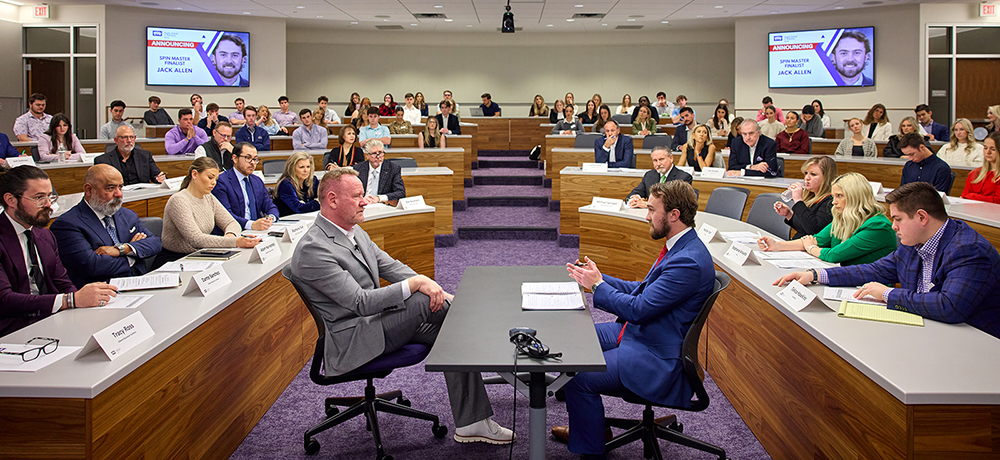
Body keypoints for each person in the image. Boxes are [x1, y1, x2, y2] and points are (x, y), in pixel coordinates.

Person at [289, 166, 515, 444]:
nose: (365, 201)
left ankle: (473, 422)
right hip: (354, 339)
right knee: (422, 301)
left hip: (378, 322)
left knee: (452, 331)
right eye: (357, 196)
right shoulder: (314, 248)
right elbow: (360, 303)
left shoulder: (353, 231)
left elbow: (392, 267)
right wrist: (418, 285)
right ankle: (506, 342)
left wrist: (436, 289)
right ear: (333, 200)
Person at [555, 180, 716, 459]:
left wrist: (598, 287)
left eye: (652, 210)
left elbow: (638, 309)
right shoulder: (681, 245)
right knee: (576, 341)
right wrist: (597, 278)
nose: (646, 216)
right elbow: (643, 290)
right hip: (643, 333)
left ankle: (591, 448)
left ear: (674, 215)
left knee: (579, 378)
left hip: (656, 353)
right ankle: (591, 427)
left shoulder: (688, 261)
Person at [774, 181, 1000, 339]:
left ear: (922, 217)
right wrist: (815, 275)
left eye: (898, 219)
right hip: (929, 329)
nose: (894, 227)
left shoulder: (969, 250)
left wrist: (887, 294)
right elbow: (873, 270)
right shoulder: (914, 242)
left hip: (976, 341)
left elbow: (949, 306)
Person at [0, 165, 118, 337]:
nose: (48, 205)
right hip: (11, 330)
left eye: (50, 196)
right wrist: (70, 300)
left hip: (50, 320)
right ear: (10, 200)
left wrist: (81, 306)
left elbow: (61, 281)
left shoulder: (45, 235)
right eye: (39, 198)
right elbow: (5, 300)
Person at [50, 164, 162, 288]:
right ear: (89, 190)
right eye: (110, 188)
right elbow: (93, 265)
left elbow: (155, 242)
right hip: (101, 291)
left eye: (120, 187)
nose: (119, 194)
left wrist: (123, 249)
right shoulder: (67, 224)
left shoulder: (127, 215)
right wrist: (133, 258)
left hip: (140, 283)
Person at [759, 172, 896, 266]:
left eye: (839, 196)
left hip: (869, 287)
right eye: (834, 196)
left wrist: (811, 248)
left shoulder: (878, 226)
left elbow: (833, 255)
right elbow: (816, 239)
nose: (834, 202)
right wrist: (777, 245)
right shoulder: (843, 218)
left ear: (855, 197)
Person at [158, 157, 261, 265]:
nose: (214, 183)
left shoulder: (208, 197)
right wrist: (234, 242)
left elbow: (231, 223)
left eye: (216, 179)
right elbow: (196, 239)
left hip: (202, 255)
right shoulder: (179, 200)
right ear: (194, 174)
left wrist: (230, 235)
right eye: (210, 177)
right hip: (176, 260)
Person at [212, 143, 279, 231]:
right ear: (235, 158)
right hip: (233, 232)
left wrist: (270, 218)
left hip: (258, 232)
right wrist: (251, 225)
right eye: (248, 158)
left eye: (255, 159)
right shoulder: (221, 181)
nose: (253, 163)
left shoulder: (257, 181)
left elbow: (270, 206)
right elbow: (225, 215)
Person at [774, 156, 836, 239]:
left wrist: (798, 201)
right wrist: (789, 215)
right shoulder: (812, 197)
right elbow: (803, 227)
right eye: (806, 173)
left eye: (813, 174)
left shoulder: (831, 202)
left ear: (826, 178)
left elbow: (814, 230)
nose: (807, 178)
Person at [96, 126, 166, 185]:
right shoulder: (103, 161)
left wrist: (161, 178)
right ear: (116, 140)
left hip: (142, 194)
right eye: (125, 137)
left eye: (132, 137)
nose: (129, 140)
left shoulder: (145, 156)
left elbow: (156, 175)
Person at [627, 146, 693, 208]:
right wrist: (635, 199)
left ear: (671, 158)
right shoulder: (649, 175)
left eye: (661, 159)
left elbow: (678, 204)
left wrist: (648, 205)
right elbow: (634, 194)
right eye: (655, 160)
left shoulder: (683, 177)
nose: (658, 164)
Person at [354, 139, 405, 203]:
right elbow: (352, 192)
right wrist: (361, 199)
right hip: (362, 204)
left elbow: (401, 193)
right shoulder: (358, 169)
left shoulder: (393, 168)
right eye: (374, 153)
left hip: (382, 204)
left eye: (380, 153)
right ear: (367, 155)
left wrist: (379, 198)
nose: (378, 156)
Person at [273, 151, 320, 216]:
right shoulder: (286, 184)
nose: (306, 170)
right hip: (288, 220)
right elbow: (299, 208)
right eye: (301, 167)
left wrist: (308, 204)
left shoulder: (313, 180)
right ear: (292, 168)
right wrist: (318, 202)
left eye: (308, 167)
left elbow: (324, 197)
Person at [961, 131, 1000, 203]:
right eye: (985, 148)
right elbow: (964, 195)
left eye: (993, 149)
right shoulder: (975, 173)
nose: (988, 152)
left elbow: (997, 200)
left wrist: (971, 196)